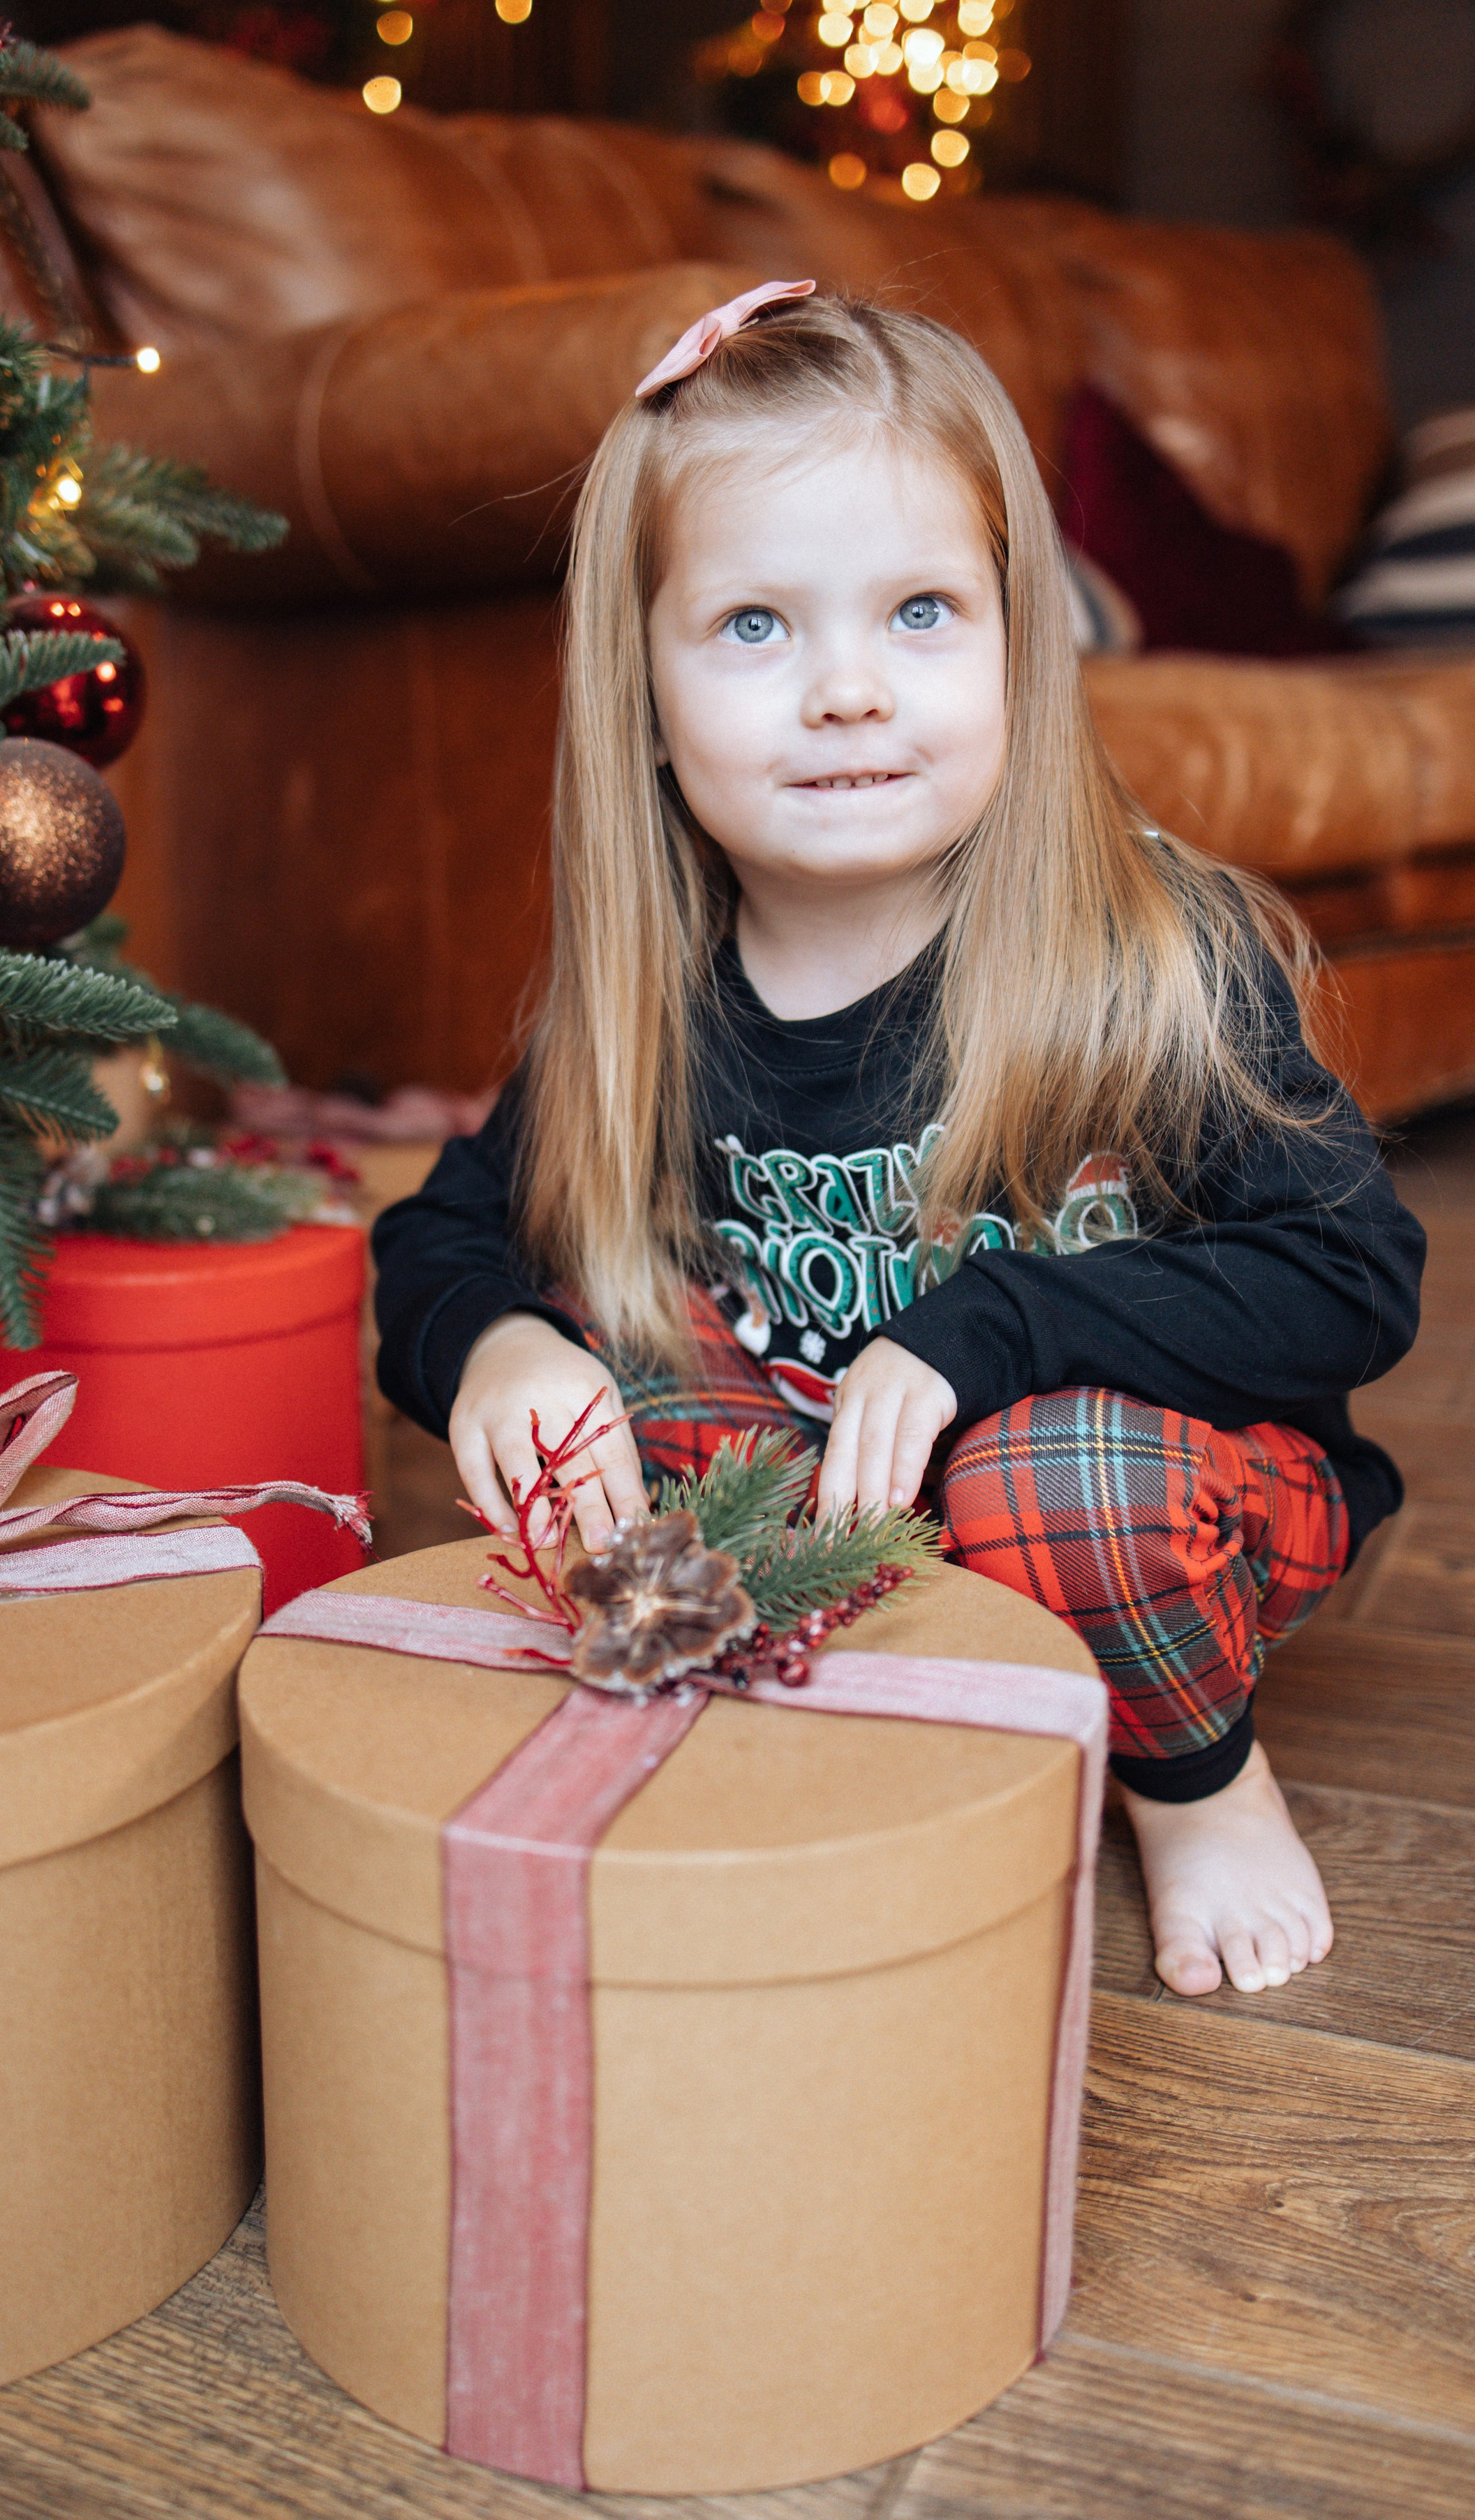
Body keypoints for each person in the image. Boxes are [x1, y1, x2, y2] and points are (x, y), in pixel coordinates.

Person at [373, 283, 1424, 2002]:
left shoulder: (1149, 956)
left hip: (1155, 1495)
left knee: (1050, 1478)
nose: (848, 692)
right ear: (639, 696)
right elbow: (438, 1232)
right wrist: (492, 1347)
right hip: (840, 1498)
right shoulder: (647, 1000)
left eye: (920, 611)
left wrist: (982, 1329)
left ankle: (1192, 1783)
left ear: (1017, 641)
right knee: (607, 1380)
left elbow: (1347, 1280)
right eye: (755, 628)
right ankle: (852, 1696)